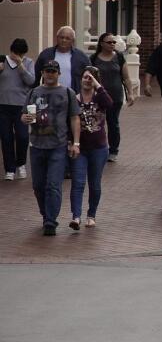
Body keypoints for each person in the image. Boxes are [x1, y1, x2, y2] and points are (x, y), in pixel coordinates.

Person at [21, 60, 80, 234]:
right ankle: (45, 213)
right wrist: (25, 119)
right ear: (43, 73)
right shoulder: (34, 92)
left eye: (53, 71)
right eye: (47, 71)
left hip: (58, 145)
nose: (50, 74)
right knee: (38, 185)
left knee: (53, 184)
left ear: (58, 73)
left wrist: (76, 143)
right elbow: (25, 115)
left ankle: (50, 221)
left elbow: (75, 118)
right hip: (37, 144)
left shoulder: (67, 93)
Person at [68, 66, 112, 230]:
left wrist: (98, 85)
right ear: (80, 79)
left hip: (99, 148)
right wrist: (71, 143)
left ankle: (91, 214)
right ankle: (76, 217)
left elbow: (110, 103)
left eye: (91, 78)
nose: (87, 81)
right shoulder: (74, 99)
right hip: (80, 148)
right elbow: (68, 122)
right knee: (78, 182)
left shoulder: (100, 98)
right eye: (85, 77)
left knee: (95, 184)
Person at [90, 33, 135, 163]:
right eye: (109, 42)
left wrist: (131, 93)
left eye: (114, 42)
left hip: (115, 97)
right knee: (97, 123)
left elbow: (126, 77)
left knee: (113, 123)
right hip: (98, 97)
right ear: (101, 43)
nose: (112, 44)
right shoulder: (94, 59)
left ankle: (113, 150)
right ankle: (99, 148)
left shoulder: (119, 57)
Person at [2, 39, 36, 181]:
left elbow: (30, 81)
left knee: (22, 136)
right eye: (15, 53)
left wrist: (20, 64)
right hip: (2, 105)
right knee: (6, 137)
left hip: (21, 106)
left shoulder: (28, 62)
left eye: (20, 54)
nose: (17, 56)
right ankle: (9, 169)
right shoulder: (2, 61)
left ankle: (21, 163)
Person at [34, 27, 90, 93]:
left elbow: (89, 77)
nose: (64, 40)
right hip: (49, 95)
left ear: (73, 41)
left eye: (67, 38)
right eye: (62, 37)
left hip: (73, 96)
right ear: (57, 38)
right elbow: (36, 76)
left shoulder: (81, 57)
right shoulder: (46, 54)